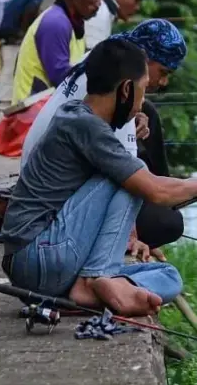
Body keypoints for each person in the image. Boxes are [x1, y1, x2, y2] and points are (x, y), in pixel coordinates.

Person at [1, 38, 197, 316]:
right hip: (38, 255)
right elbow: (155, 191)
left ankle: (91, 286)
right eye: (142, 92)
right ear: (125, 90)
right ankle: (97, 278)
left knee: (168, 276)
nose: (141, 104)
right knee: (132, 174)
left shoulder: (78, 117)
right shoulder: (85, 126)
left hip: (40, 264)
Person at [22, 18, 187, 249]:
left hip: (38, 178)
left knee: (147, 110)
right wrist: (130, 236)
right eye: (163, 71)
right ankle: (163, 207)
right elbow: (130, 176)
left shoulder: (102, 58)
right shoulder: (122, 87)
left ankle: (165, 202)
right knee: (168, 223)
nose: (163, 81)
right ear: (145, 58)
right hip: (52, 208)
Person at [11, 0, 107, 104]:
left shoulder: (73, 24)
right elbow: (63, 80)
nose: (99, 3)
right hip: (32, 116)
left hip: (49, 110)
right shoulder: (55, 23)